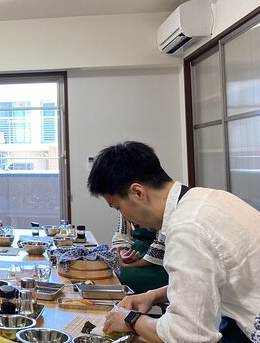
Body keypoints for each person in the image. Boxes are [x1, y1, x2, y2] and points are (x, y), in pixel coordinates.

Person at [87, 141, 260, 343]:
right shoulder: (207, 198)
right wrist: (153, 296)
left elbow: (187, 336)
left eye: (118, 208)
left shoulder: (187, 228)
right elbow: (206, 283)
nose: (125, 217)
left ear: (138, 193)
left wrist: (131, 319)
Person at [111, 213, 168, 294]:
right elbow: (122, 235)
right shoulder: (124, 206)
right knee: (114, 270)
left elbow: (164, 243)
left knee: (126, 277)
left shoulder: (168, 208)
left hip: (163, 262)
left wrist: (136, 264)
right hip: (139, 251)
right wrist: (124, 254)